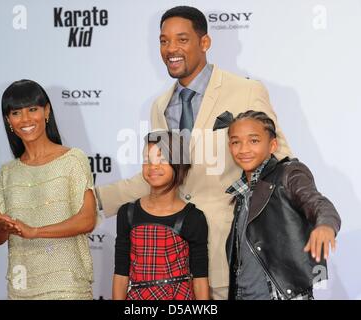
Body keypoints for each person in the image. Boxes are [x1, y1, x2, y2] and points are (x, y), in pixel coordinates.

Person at [97, 6, 292, 299]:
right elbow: (161, 176)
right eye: (164, 41)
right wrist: (96, 200)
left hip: (231, 258)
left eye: (182, 39)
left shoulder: (245, 91)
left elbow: (279, 164)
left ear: (204, 42)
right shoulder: (161, 106)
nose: (170, 49)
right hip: (174, 267)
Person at [0, 79, 97, 300]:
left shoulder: (72, 159)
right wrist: (1, 228)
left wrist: (35, 231)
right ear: (8, 120)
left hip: (67, 287)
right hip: (21, 288)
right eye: (16, 113)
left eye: (33, 109)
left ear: (47, 111)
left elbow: (87, 220)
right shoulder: (7, 172)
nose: (25, 119)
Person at [224, 110, 341, 300]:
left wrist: (325, 225)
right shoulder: (241, 192)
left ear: (272, 145)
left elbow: (318, 203)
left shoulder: (289, 173)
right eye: (236, 142)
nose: (244, 149)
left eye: (254, 141)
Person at [113, 131, 209, 300]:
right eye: (147, 160)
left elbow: (200, 278)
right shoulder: (127, 213)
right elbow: (121, 273)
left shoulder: (193, 217)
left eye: (162, 159)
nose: (153, 166)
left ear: (179, 164)